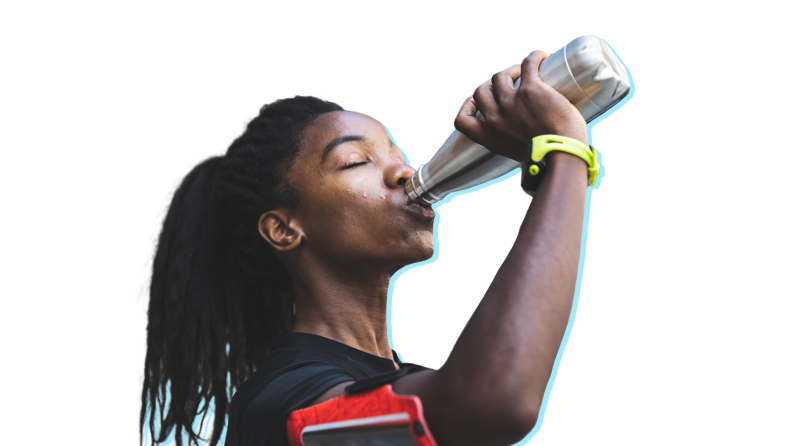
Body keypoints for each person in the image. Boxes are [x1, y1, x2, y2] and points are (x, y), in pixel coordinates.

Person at [141, 50, 593, 446]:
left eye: (398, 154)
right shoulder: (282, 396)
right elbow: (495, 398)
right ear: (283, 229)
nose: (402, 172)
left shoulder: (412, 380)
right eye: (356, 161)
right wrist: (564, 153)